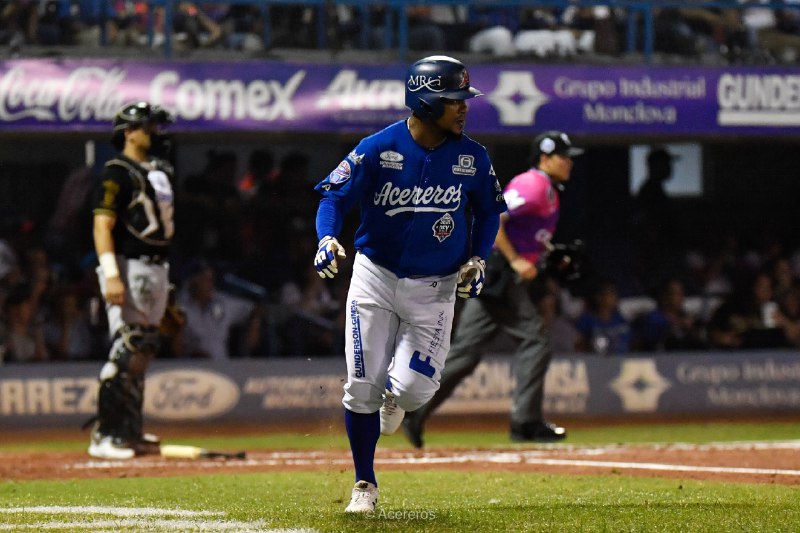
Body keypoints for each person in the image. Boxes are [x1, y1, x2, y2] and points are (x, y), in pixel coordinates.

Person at [312, 55, 506, 513]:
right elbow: (333, 196)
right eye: (454, 99)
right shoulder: (377, 148)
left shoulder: (473, 156)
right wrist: (326, 239)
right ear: (425, 101)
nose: (464, 107)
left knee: (415, 392)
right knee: (361, 387)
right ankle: (364, 484)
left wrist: (479, 257)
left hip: (435, 287)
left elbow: (489, 212)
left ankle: (395, 400)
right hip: (375, 277)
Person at [402, 130, 582, 449]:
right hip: (499, 272)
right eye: (563, 157)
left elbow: (526, 232)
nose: (569, 162)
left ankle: (413, 409)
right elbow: (493, 215)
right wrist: (515, 260)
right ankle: (525, 422)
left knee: (467, 352)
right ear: (544, 158)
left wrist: (547, 254)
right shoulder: (533, 185)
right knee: (536, 340)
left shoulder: (547, 189)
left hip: (494, 273)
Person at [86, 101, 176, 460]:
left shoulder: (158, 170)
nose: (154, 133)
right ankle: (106, 433)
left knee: (145, 348)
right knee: (128, 346)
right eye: (147, 126)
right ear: (129, 132)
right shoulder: (117, 171)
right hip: (129, 266)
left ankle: (129, 430)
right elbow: (102, 225)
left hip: (156, 266)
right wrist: (111, 274)